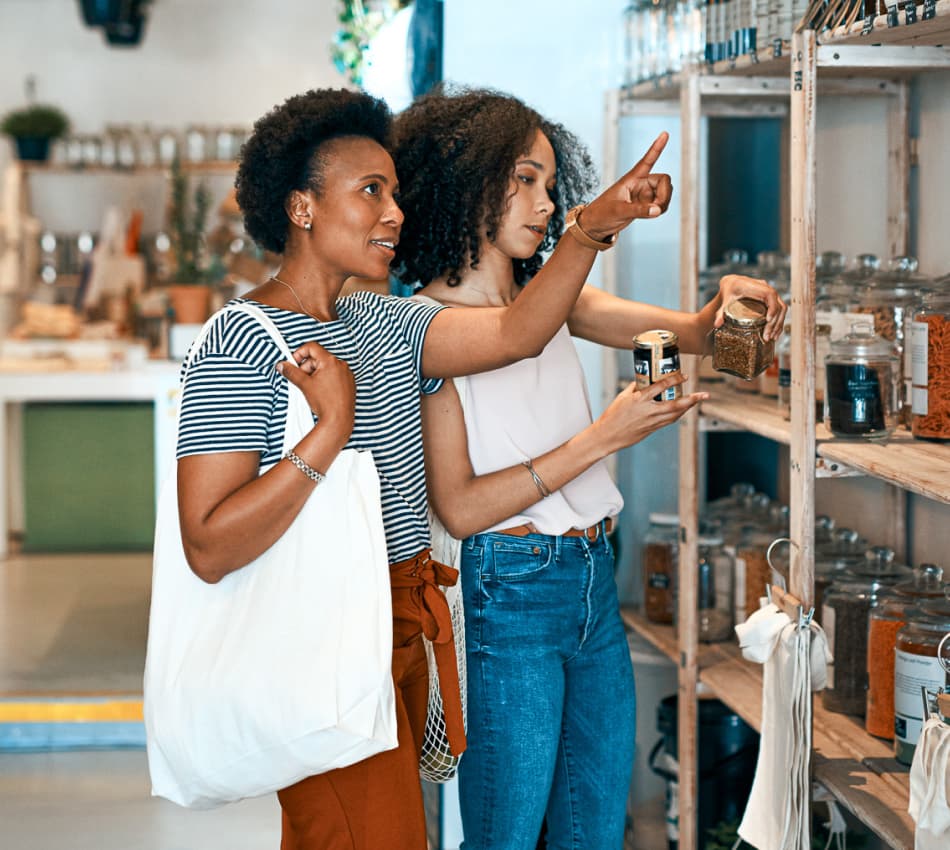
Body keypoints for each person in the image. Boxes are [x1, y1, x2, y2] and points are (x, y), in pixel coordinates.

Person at [173, 87, 677, 850]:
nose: (395, 213)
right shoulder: (240, 341)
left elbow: (517, 331)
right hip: (322, 634)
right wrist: (328, 432)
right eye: (370, 192)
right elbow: (208, 546)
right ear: (302, 209)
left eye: (396, 193)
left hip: (407, 622)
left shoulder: (382, 319)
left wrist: (591, 227)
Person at [390, 86, 786, 850]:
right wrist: (602, 439)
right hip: (508, 587)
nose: (544, 203)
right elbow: (464, 509)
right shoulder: (424, 325)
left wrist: (730, 309)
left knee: (593, 832)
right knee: (503, 836)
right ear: (466, 183)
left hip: (590, 580)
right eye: (524, 181)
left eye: (549, 182)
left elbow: (695, 333)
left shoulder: (552, 296)